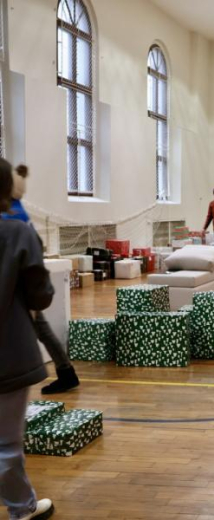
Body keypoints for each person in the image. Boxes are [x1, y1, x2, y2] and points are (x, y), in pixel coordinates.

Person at [0, 158, 56, 519]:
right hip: (8, 352)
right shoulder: (18, 232)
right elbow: (41, 294)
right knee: (6, 444)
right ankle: (22, 508)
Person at [1, 165, 79, 395]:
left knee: (41, 330)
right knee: (42, 330)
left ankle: (66, 372)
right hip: (22, 288)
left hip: (16, 290)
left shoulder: (11, 216)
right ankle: (66, 371)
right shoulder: (18, 211)